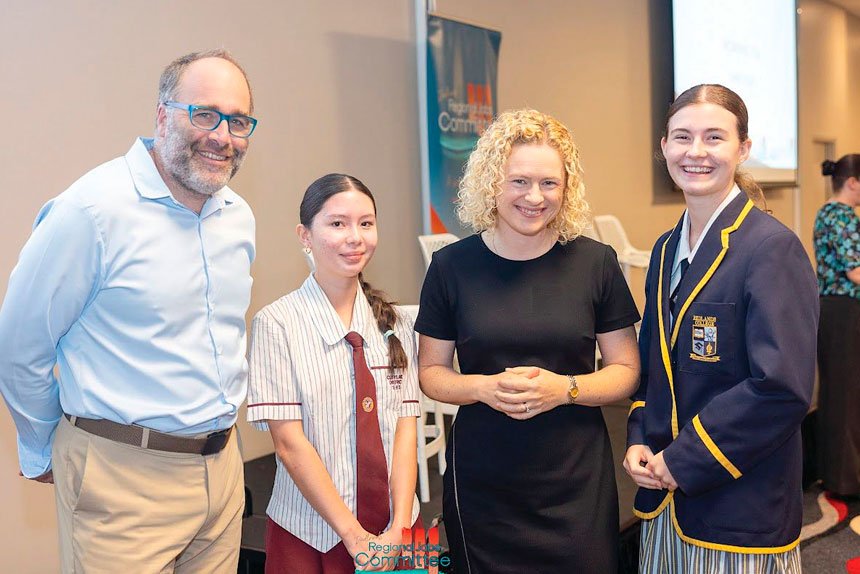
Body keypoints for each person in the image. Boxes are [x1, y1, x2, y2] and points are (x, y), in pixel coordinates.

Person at [0, 50, 257, 572]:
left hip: (222, 473)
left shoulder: (237, 216)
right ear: (162, 115)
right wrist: (42, 445)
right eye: (204, 114)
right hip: (120, 480)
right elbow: (19, 345)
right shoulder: (90, 212)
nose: (222, 135)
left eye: (238, 121)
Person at [416, 109, 641, 573]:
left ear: (567, 186)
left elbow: (626, 371)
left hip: (574, 481)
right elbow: (431, 373)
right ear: (491, 182)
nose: (535, 197)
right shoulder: (451, 267)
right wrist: (482, 388)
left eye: (549, 183)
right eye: (519, 181)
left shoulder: (595, 263)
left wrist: (565, 389)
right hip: (484, 483)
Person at [625, 84, 818, 573]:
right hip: (663, 504)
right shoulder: (667, 249)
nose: (696, 152)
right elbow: (654, 366)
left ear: (743, 149)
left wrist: (683, 458)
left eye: (714, 137)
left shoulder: (771, 248)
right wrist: (637, 440)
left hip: (739, 508)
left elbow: (781, 388)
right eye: (682, 137)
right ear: (663, 147)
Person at [247, 173, 421, 573]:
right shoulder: (277, 323)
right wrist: (354, 535)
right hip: (310, 533)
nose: (355, 237)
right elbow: (289, 444)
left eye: (366, 223)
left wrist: (398, 529)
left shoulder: (395, 323)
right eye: (337, 223)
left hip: (397, 532)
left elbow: (405, 430)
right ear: (305, 235)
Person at [814, 154, 860, 498]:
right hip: (844, 311)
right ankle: (845, 480)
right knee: (845, 395)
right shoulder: (841, 216)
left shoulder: (827, 212)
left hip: (834, 310)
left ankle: (839, 474)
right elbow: (855, 271)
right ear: (853, 182)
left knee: (840, 393)